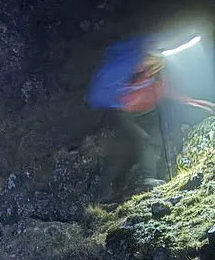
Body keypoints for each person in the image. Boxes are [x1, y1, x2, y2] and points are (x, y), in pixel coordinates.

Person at [89, 39, 215, 192]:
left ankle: (144, 178)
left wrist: (195, 102)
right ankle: (139, 181)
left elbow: (170, 93)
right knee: (139, 141)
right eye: (153, 63)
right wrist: (143, 73)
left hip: (145, 113)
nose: (157, 66)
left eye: (158, 64)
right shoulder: (136, 75)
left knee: (153, 142)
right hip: (123, 113)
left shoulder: (158, 80)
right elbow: (124, 93)